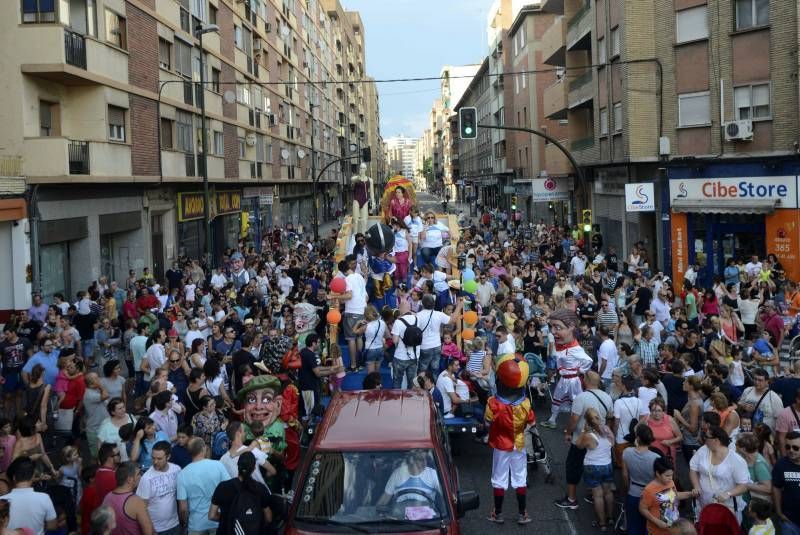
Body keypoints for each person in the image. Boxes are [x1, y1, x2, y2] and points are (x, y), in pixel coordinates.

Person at [484, 355, 534, 525]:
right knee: (520, 477)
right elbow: (531, 423)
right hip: (519, 445)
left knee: (499, 478)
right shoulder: (526, 403)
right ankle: (522, 514)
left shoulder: (492, 403)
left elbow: (487, 422)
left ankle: (498, 513)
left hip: (500, 445)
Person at [555, 371, 612, 510]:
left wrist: (568, 432)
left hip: (581, 439)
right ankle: (593, 494)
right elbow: (609, 418)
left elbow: (574, 419)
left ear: (585, 380)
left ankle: (571, 499)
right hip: (599, 441)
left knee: (573, 467)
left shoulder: (582, 397)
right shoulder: (607, 397)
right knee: (594, 467)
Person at [542, 309, 593, 429]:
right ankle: (552, 420)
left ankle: (579, 426)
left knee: (576, 403)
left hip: (573, 381)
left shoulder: (575, 349)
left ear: (571, 327)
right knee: (557, 399)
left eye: (558, 328)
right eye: (552, 327)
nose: (553, 332)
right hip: (564, 379)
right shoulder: (564, 345)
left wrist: (580, 371)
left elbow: (588, 360)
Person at [689, 425, 750, 522]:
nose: (704, 439)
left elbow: (744, 486)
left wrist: (729, 494)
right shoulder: (703, 450)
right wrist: (696, 486)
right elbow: (693, 469)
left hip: (726, 506)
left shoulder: (736, 460)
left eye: (706, 437)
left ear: (716, 440)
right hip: (704, 504)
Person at [176, 438, 231, 535]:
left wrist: (184, 524)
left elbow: (183, 508)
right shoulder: (218, 465)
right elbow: (230, 489)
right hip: (217, 520)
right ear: (203, 449)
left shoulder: (182, 474)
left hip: (196, 525)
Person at [209, 452, 273, 535]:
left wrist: (229, 519)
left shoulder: (223, 487)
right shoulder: (261, 489)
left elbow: (212, 515)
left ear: (238, 465)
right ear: (253, 468)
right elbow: (269, 518)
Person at [576, 408, 615, 532]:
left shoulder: (588, 436)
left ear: (587, 421)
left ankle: (602, 523)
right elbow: (612, 443)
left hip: (592, 466)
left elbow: (578, 445)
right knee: (608, 493)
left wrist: (583, 431)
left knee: (598, 496)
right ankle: (611, 518)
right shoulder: (607, 429)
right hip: (607, 465)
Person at [639, 457, 698, 534]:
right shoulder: (649, 490)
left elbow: (674, 496)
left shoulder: (670, 482)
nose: (670, 478)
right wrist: (657, 522)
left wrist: (691, 494)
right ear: (657, 473)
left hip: (673, 530)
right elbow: (642, 509)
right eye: (667, 476)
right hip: (657, 531)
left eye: (671, 475)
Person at [0, 457, 57, 535]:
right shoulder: (44, 498)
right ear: (33, 477)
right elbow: (52, 526)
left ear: (14, 478)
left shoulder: (2, 500)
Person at [622, 424, 661, 535]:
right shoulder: (655, 458)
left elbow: (625, 475)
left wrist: (626, 490)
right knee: (651, 527)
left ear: (637, 438)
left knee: (633, 526)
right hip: (652, 495)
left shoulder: (627, 452)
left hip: (633, 492)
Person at [135, 442, 180, 535]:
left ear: (168, 457)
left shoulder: (176, 470)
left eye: (159, 459)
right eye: (153, 458)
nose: (155, 461)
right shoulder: (146, 478)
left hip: (175, 524)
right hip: (156, 529)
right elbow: (141, 507)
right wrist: (149, 527)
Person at [102, 461, 154, 535]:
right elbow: (149, 532)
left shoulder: (107, 497)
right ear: (129, 479)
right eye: (138, 474)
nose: (141, 476)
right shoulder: (136, 501)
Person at [298, 334, 342, 419]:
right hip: (308, 387)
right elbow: (317, 373)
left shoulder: (305, 351)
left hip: (310, 386)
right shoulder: (309, 355)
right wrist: (332, 372)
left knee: (312, 409)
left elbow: (316, 367)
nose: (319, 344)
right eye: (318, 342)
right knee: (308, 413)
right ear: (313, 343)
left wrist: (330, 368)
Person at [772, 430, 800, 535]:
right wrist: (779, 512)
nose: (791, 450)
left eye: (795, 448)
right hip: (789, 520)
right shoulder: (781, 465)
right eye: (788, 447)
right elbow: (776, 488)